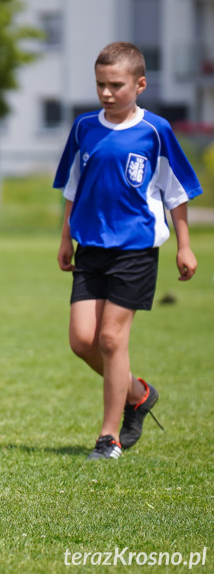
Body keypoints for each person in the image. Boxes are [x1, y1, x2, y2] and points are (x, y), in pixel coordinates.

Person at [54, 42, 203, 460]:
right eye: (100, 84)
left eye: (116, 85)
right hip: (90, 247)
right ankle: (139, 394)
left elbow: (177, 193)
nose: (106, 93)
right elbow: (72, 185)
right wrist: (66, 237)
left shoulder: (156, 131)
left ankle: (109, 436)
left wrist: (185, 246)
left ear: (140, 84)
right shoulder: (85, 127)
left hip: (136, 248)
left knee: (111, 338)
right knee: (83, 341)